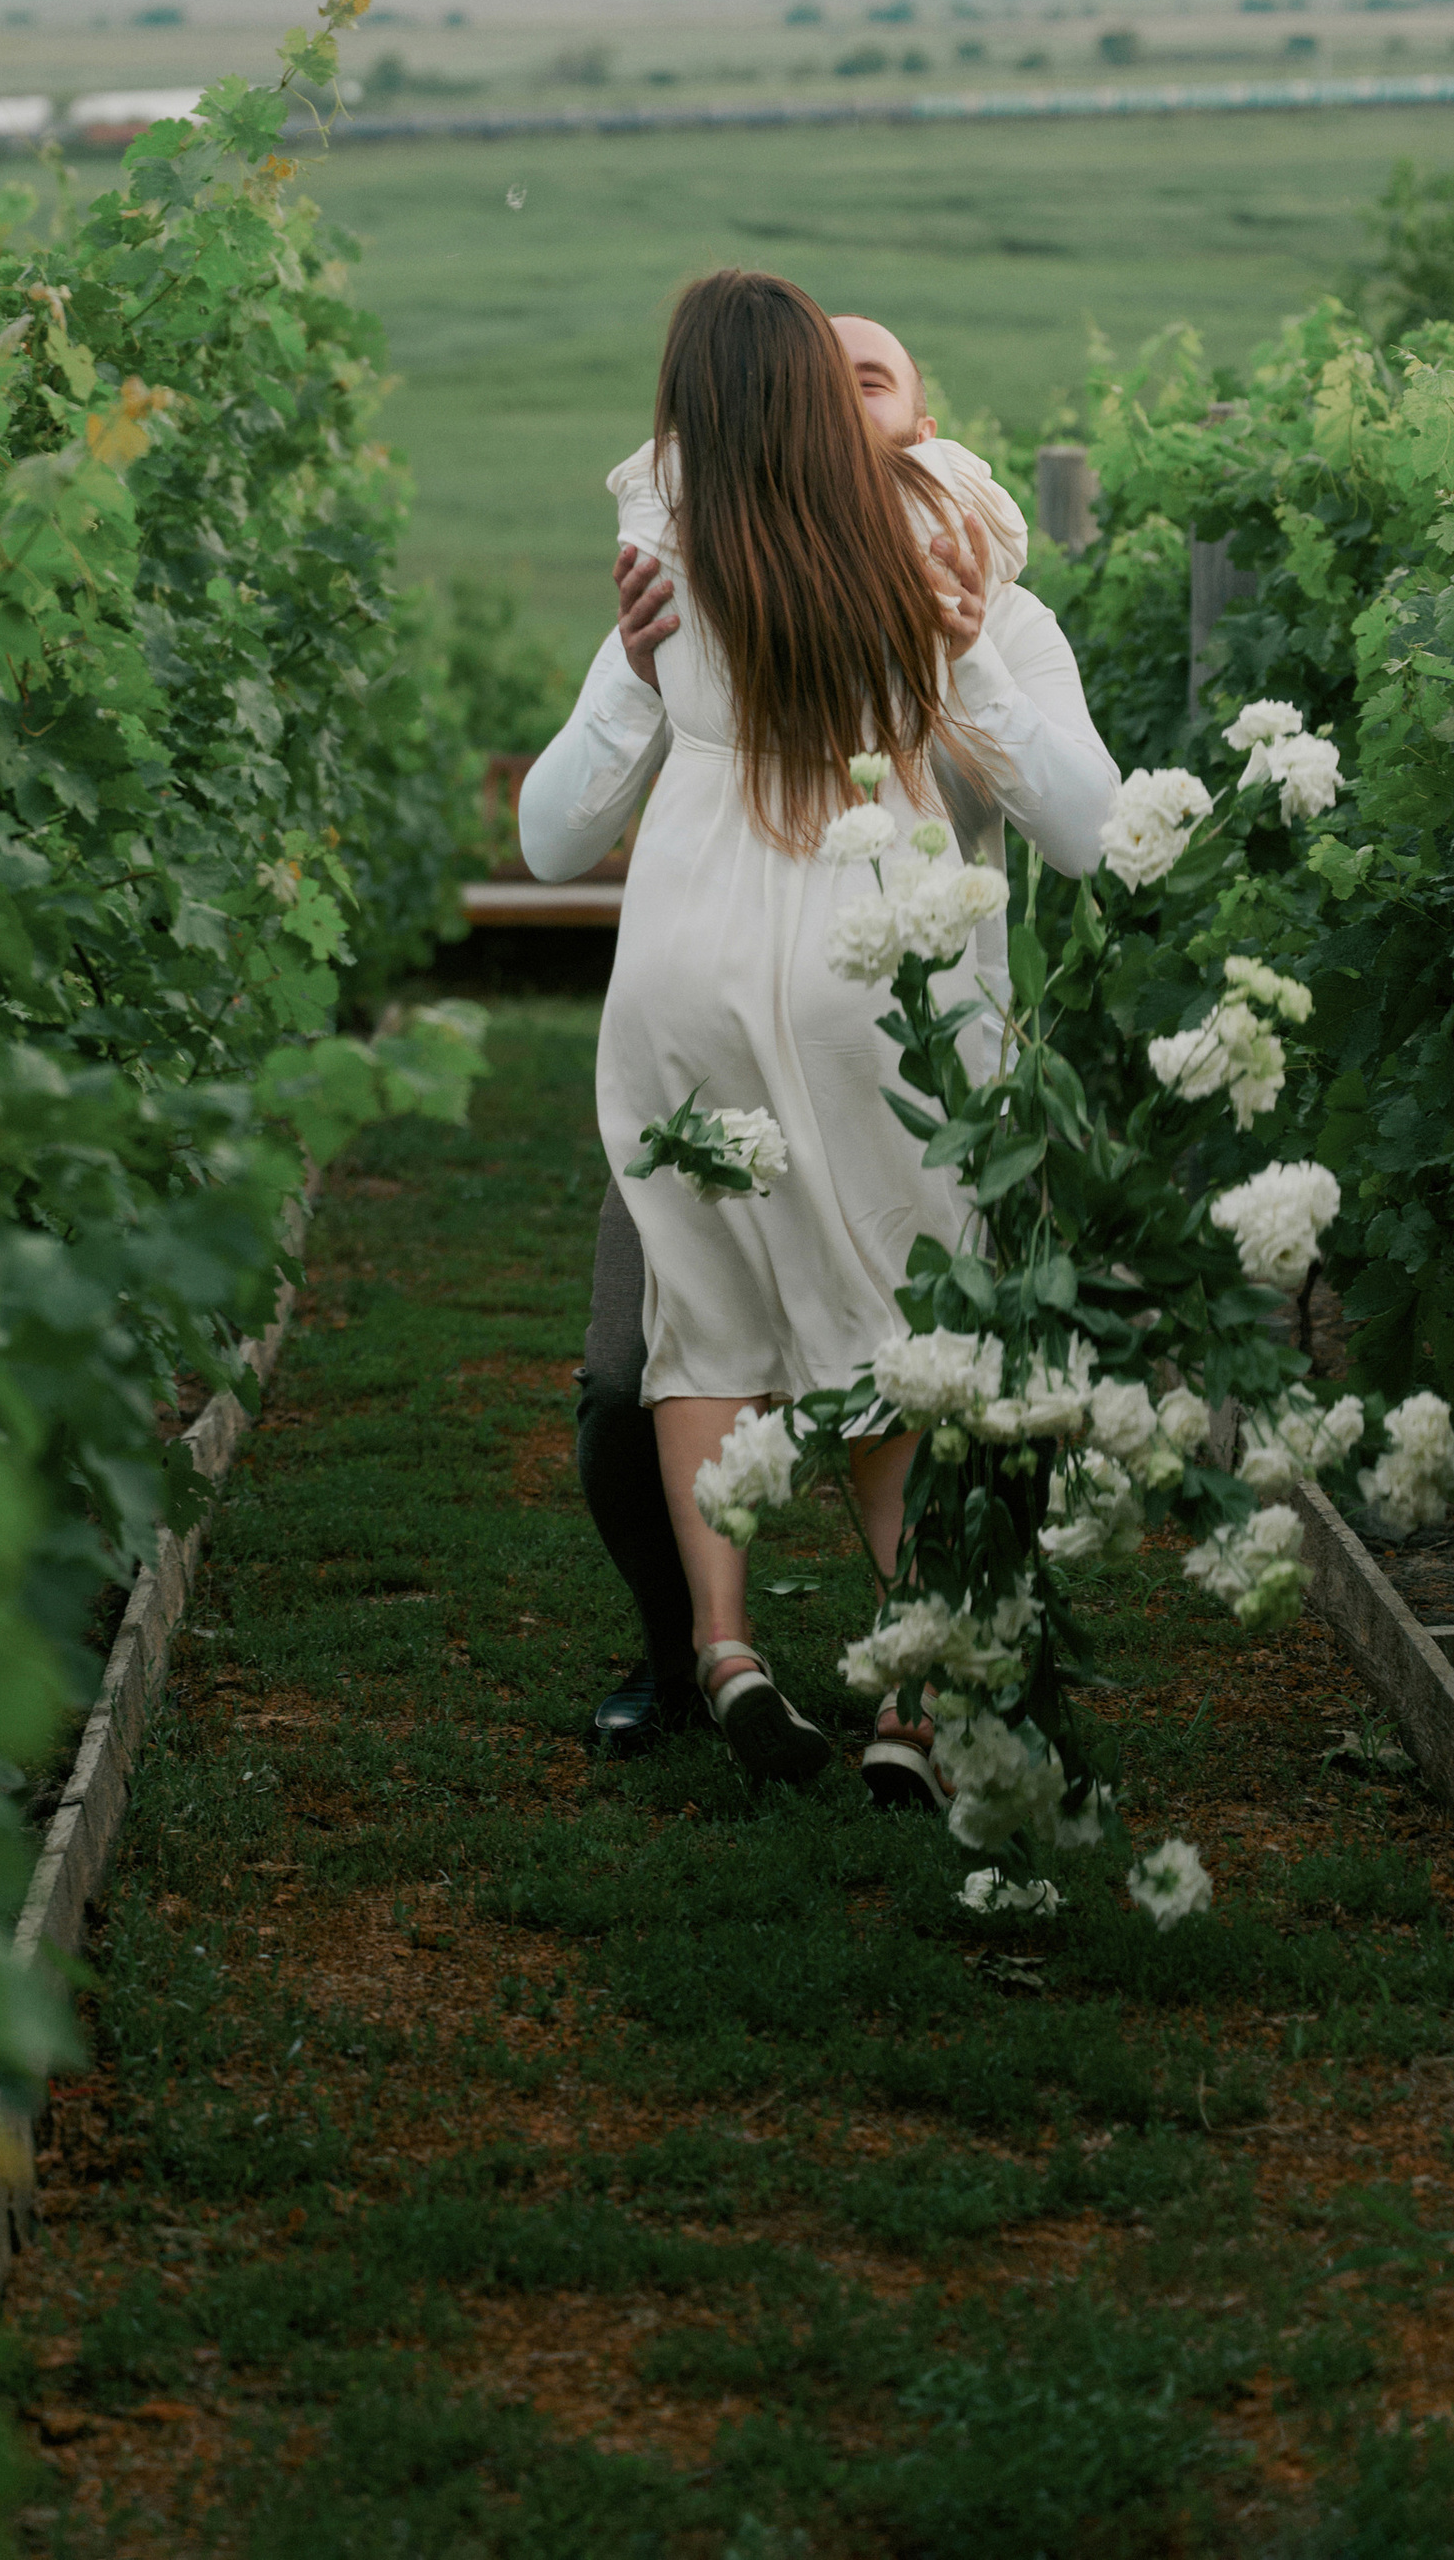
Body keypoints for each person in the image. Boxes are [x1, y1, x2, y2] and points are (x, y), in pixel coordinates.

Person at [520, 279, 1121, 1799]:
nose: (839, 390)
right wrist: (631, 679)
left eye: (874, 375)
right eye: (818, 373)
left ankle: (936, 1657)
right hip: (735, 1043)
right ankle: (684, 1658)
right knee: (622, 1385)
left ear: (924, 424)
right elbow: (551, 837)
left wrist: (970, 656)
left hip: (909, 1070)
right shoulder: (686, 597)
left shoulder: (997, 609)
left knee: (926, 1372)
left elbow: (1091, 832)